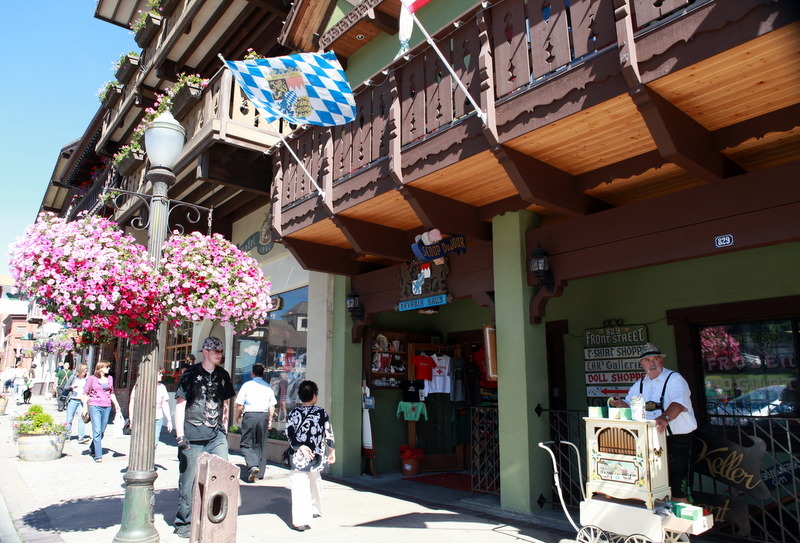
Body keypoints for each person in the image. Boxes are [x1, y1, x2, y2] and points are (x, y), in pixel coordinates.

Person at [610, 343, 697, 502]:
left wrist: (665, 418)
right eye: (647, 360)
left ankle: (682, 515)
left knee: (678, 486)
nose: (652, 363)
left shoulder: (675, 379)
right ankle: (661, 516)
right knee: (655, 485)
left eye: (655, 359)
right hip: (651, 442)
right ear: (641, 364)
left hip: (677, 441)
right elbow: (629, 404)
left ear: (661, 361)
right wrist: (619, 403)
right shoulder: (640, 384)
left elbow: (679, 402)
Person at [173, 336, 235, 539]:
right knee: (189, 480)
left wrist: (224, 427)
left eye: (221, 351)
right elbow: (181, 404)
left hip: (216, 434)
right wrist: (180, 435)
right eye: (216, 351)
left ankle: (216, 516)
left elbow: (225, 401)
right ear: (205, 352)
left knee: (223, 474)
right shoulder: (190, 374)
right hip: (192, 434)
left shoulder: (223, 375)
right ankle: (184, 521)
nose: (219, 354)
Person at [285, 380, 336, 532]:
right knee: (315, 481)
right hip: (316, 456)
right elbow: (329, 433)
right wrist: (332, 451)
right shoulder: (321, 413)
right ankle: (315, 509)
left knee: (299, 487)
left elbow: (289, 433)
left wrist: (299, 446)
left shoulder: (293, 413)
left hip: (298, 457)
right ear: (314, 395)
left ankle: (300, 521)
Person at [234, 363, 277, 482]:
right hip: (263, 416)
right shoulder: (268, 387)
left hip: (250, 415)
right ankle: (260, 473)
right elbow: (272, 406)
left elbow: (239, 404)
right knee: (261, 444)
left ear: (252, 373)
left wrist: (238, 416)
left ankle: (253, 465)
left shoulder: (247, 385)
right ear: (262, 373)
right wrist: (270, 419)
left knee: (246, 443)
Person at [82, 361, 122, 462]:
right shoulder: (92, 379)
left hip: (107, 406)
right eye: (106, 367)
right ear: (100, 368)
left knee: (102, 431)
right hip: (95, 405)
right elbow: (85, 393)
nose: (108, 369)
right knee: (97, 430)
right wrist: (85, 407)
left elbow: (111, 392)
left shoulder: (110, 378)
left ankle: (92, 448)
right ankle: (98, 455)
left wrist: (116, 404)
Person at [129, 369, 173, 449]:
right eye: (159, 373)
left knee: (154, 443)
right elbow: (132, 403)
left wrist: (169, 420)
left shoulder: (162, 387)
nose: (161, 375)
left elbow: (164, 403)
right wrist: (131, 419)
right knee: (141, 443)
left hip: (157, 418)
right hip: (142, 418)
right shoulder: (139, 386)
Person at [65, 363, 90, 444]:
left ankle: (81, 437)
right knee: (69, 419)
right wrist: (72, 387)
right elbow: (66, 387)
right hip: (72, 399)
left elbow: (89, 390)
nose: (86, 371)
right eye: (85, 370)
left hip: (82, 401)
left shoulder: (87, 379)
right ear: (80, 370)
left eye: (86, 370)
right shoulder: (73, 377)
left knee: (81, 418)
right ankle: (67, 436)